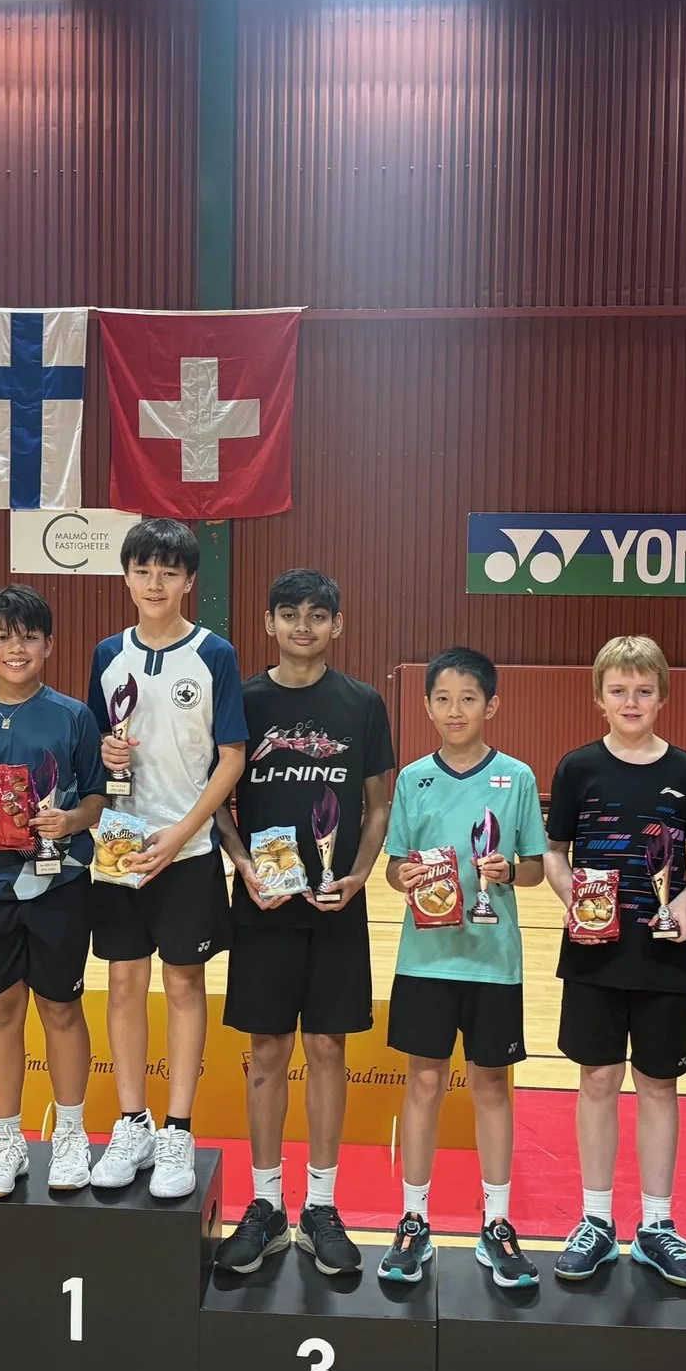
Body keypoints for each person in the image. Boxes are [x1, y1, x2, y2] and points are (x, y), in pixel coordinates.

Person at [214, 569, 394, 1276]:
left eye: (318, 615)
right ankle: (265, 1205)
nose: (302, 626)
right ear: (269, 623)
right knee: (266, 1050)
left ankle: (320, 1206)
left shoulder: (363, 703)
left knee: (326, 1047)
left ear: (337, 625)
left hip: (334, 902)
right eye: (289, 613)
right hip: (263, 903)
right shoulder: (243, 701)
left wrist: (362, 875)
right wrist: (242, 864)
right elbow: (218, 800)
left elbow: (378, 804)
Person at [541, 637, 686, 1286]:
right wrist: (575, 900)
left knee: (658, 1083)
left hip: (663, 954)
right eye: (619, 690)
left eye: (643, 691)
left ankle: (657, 1224)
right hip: (594, 952)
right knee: (596, 1078)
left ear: (662, 696)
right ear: (600, 698)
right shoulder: (577, 768)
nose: (631, 701)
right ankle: (595, 1220)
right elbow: (556, 851)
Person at [84, 518, 248, 1201]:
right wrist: (104, 751)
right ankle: (133, 1123)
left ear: (188, 581)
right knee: (124, 983)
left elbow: (231, 756)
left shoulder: (214, 654)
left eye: (168, 571)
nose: (155, 582)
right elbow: (96, 747)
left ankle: (178, 1127)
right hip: (120, 846)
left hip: (189, 848)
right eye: (143, 569)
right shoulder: (107, 654)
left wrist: (182, 833)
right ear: (126, 576)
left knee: (184, 985)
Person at [0, 584, 109, 1198]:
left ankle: (70, 1134)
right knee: (0, 1011)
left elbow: (96, 797)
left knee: (61, 1007)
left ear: (49, 645)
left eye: (29, 636)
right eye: (2, 637)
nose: (16, 648)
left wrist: (70, 819)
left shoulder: (73, 716)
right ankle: (7, 1138)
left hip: (59, 884)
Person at [378, 647, 548, 1290]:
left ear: (491, 706)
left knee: (491, 1086)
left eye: (468, 699)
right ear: (427, 706)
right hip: (425, 959)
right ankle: (413, 1219)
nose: (455, 711)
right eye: (443, 699)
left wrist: (510, 871)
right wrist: (406, 876)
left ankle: (497, 1222)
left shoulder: (518, 777)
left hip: (492, 962)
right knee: (423, 1082)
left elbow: (534, 868)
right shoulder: (412, 778)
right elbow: (395, 865)